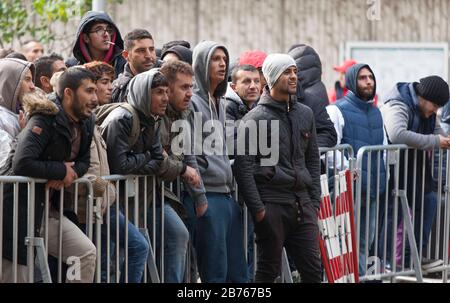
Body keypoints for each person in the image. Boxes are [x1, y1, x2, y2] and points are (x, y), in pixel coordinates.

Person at [2, 67, 98, 283]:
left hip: (47, 210)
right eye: (88, 91)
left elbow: (84, 161)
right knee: (19, 277)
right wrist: (60, 170)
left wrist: (68, 173)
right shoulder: (44, 118)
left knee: (84, 252)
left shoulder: (87, 120)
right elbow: (22, 163)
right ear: (68, 93)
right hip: (17, 212)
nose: (94, 98)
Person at [186, 41, 247, 282]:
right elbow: (187, 150)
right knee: (215, 273)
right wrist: (200, 196)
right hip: (207, 197)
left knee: (238, 275)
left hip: (226, 196)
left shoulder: (219, 102)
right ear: (201, 63)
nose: (222, 63)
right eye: (215, 58)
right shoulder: (192, 102)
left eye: (224, 58)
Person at [381, 75, 450, 270]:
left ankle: (413, 262)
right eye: (435, 106)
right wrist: (436, 142)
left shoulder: (426, 112)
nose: (435, 111)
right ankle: (389, 264)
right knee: (393, 219)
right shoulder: (399, 105)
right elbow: (397, 134)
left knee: (429, 204)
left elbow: (439, 133)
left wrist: (445, 140)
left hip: (418, 176)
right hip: (394, 175)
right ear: (423, 97)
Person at [326, 63, 387, 275]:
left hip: (372, 190)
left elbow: (384, 148)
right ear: (352, 81)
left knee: (365, 240)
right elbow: (329, 147)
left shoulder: (377, 112)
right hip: (346, 188)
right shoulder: (336, 109)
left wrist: (383, 177)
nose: (368, 81)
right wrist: (349, 168)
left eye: (370, 77)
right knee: (343, 240)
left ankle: (358, 277)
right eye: (362, 78)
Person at [156, 60, 206, 282]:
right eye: (184, 87)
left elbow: (187, 153)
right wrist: (183, 169)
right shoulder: (155, 113)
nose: (190, 93)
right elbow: (157, 157)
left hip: (164, 193)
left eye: (191, 87)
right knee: (177, 235)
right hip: (146, 193)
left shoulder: (183, 114)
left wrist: (200, 196)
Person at [288, 44, 337, 148]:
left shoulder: (312, 99)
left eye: (294, 71)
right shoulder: (317, 90)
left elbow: (328, 133)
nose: (291, 76)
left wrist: (306, 151)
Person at [66, 11, 126, 78]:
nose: (106, 34)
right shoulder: (72, 66)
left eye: (108, 30)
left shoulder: (124, 61)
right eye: (99, 30)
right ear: (86, 38)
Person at [0, 58, 35, 168]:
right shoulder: (1, 116)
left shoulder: (25, 113)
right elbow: (5, 160)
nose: (33, 86)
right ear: (9, 82)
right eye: (27, 79)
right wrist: (24, 133)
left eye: (32, 80)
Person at [111, 29, 159, 103]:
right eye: (141, 50)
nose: (149, 56)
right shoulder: (118, 89)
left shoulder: (170, 75)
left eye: (151, 49)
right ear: (126, 55)